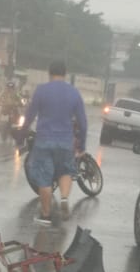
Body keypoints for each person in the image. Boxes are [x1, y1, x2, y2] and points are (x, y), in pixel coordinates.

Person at [19, 61, 88, 225]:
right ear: (65, 74)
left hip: (44, 140)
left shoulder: (41, 91)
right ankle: (64, 198)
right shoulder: (74, 93)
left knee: (44, 178)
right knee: (65, 171)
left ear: (49, 73)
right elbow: (83, 123)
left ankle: (46, 214)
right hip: (65, 141)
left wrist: (20, 136)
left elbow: (29, 116)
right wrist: (82, 146)